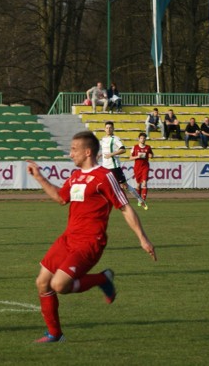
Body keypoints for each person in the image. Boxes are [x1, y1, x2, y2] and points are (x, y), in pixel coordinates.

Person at [26, 131, 156, 343]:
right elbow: (61, 198)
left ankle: (102, 279)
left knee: (59, 285)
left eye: (74, 150)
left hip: (89, 242)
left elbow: (125, 208)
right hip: (68, 238)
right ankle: (55, 334)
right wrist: (39, 177)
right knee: (42, 283)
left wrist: (143, 238)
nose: (70, 154)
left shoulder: (105, 176)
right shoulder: (76, 176)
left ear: (88, 152)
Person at [129, 133, 153, 207]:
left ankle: (143, 200)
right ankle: (139, 199)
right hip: (137, 167)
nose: (142, 139)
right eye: (141, 138)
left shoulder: (148, 147)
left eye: (144, 138)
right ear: (139, 139)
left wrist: (151, 155)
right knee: (138, 185)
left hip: (145, 167)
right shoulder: (135, 147)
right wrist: (137, 156)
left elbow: (151, 155)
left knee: (144, 183)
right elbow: (130, 158)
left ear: (145, 139)